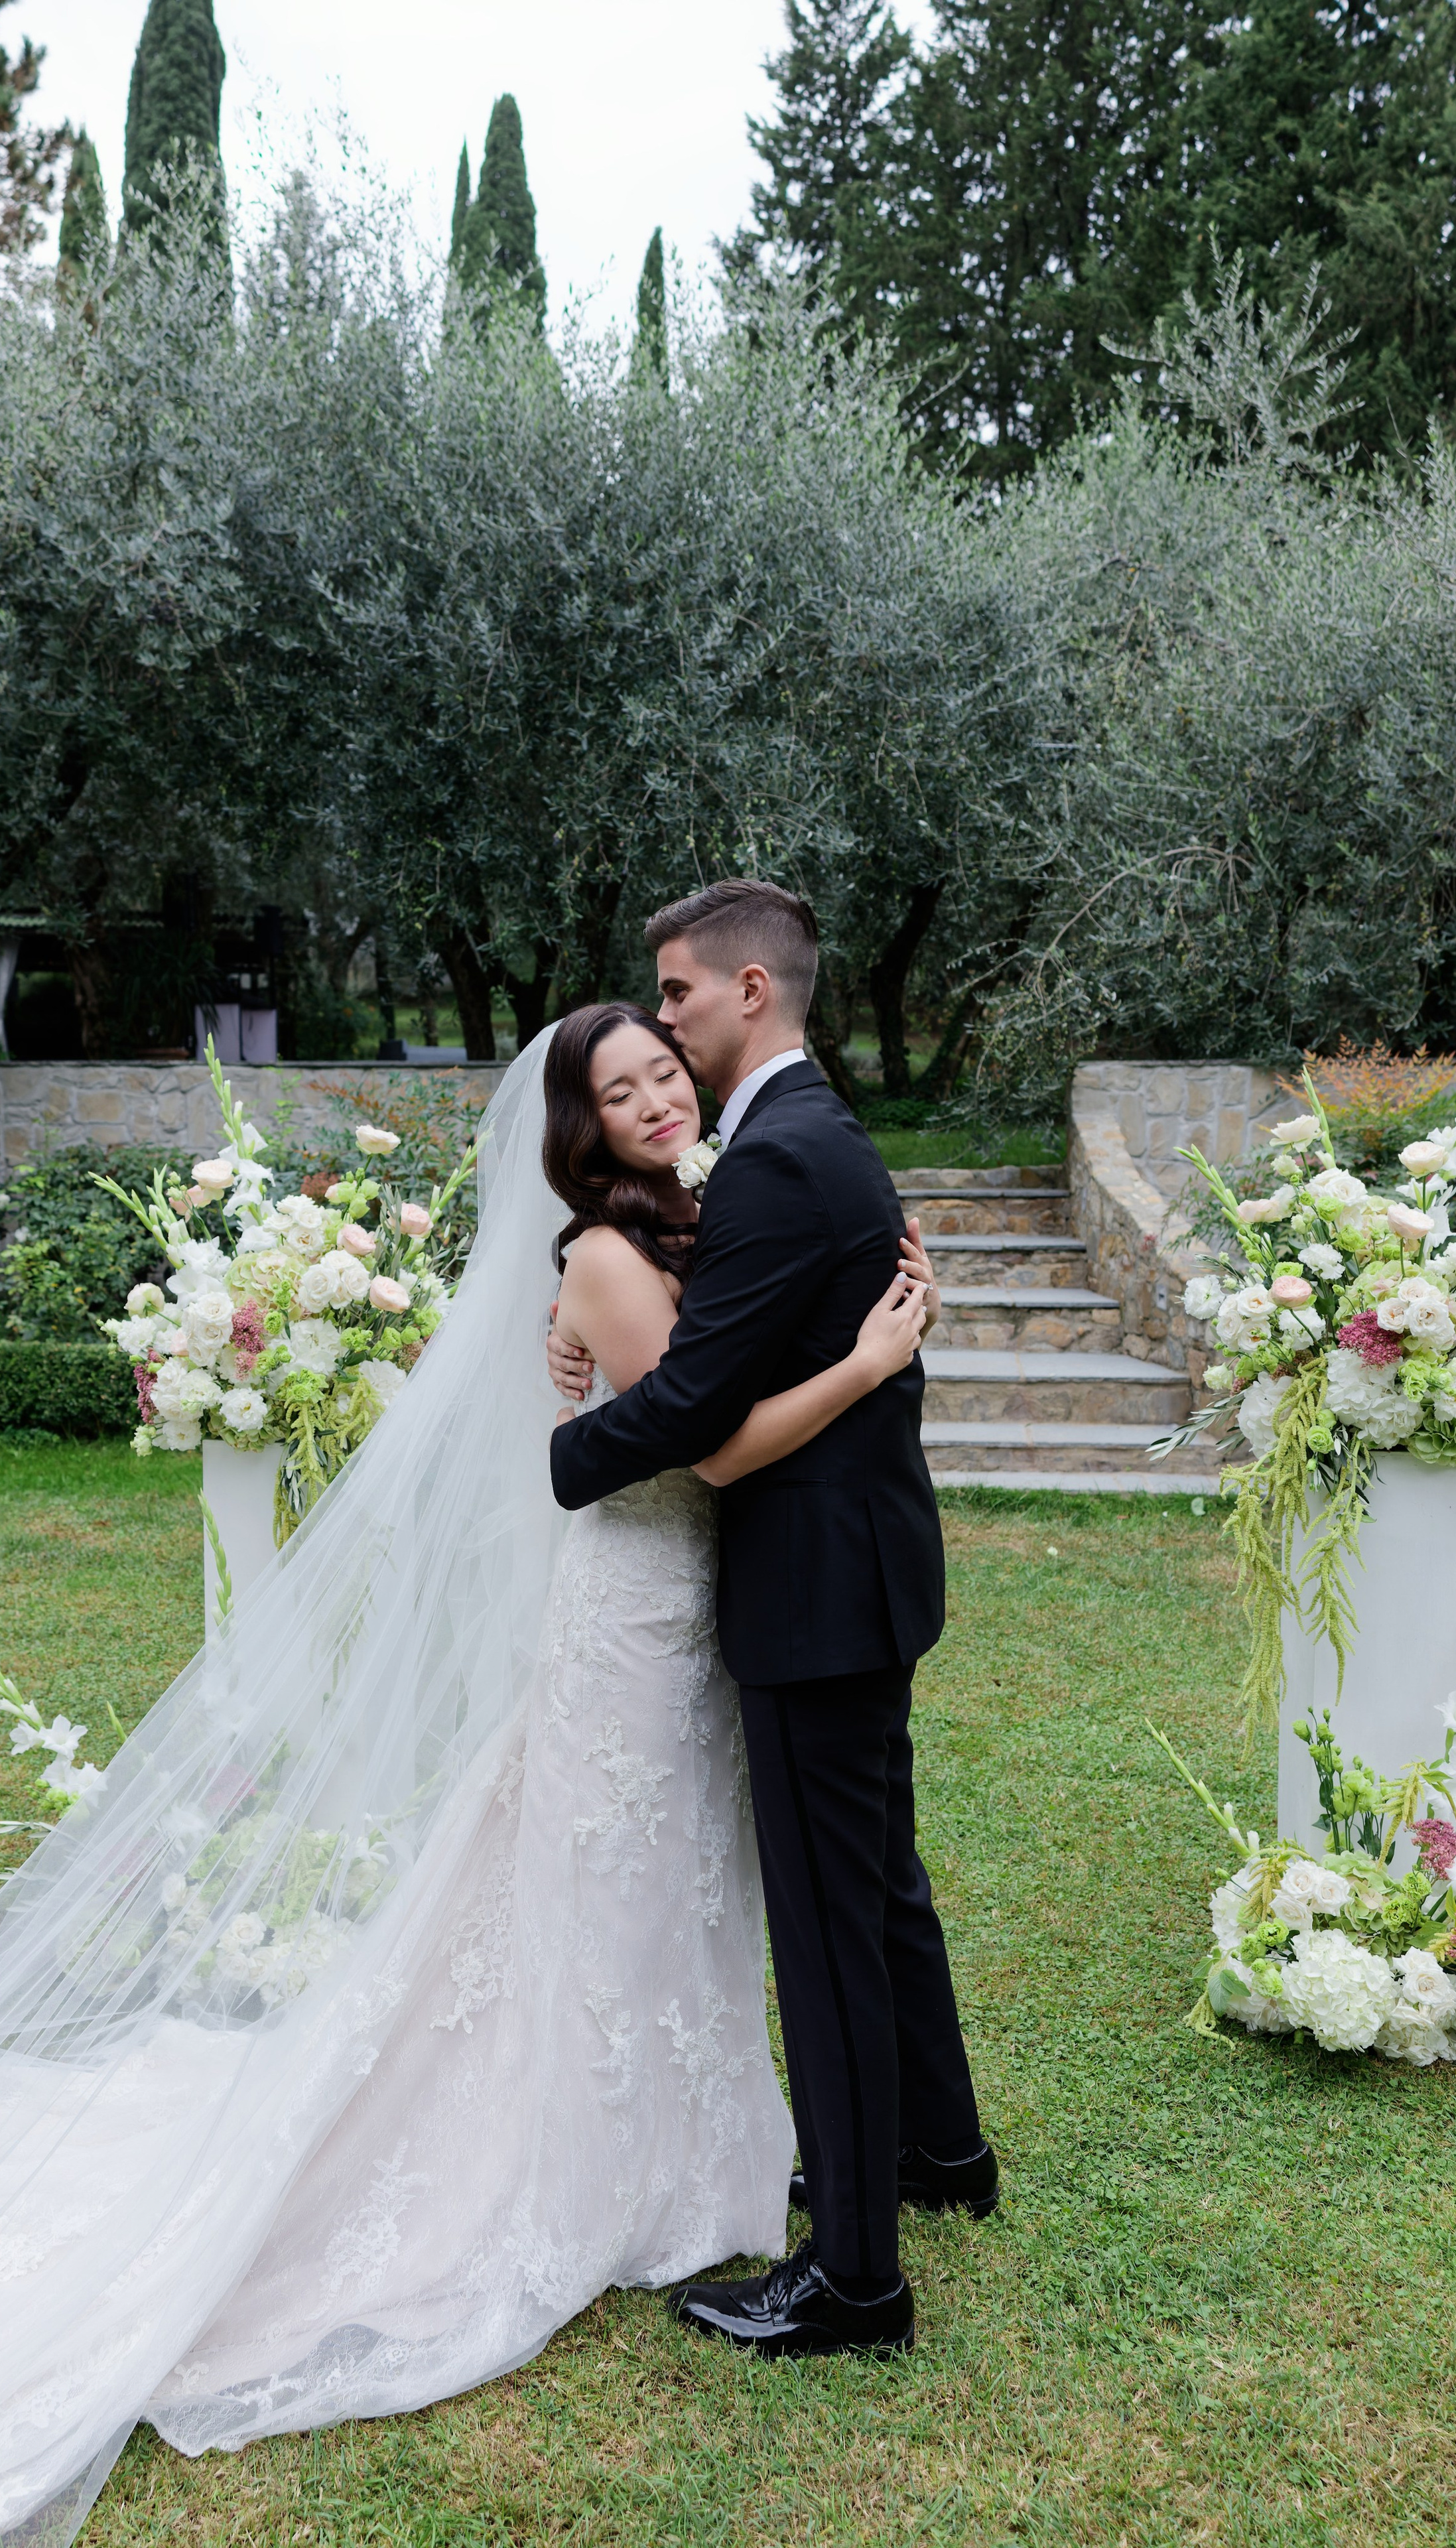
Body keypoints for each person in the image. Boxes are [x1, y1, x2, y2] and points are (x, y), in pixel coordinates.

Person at [0, 1006, 929, 2548]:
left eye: (666, 1073)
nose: (660, 1096)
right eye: (623, 1090)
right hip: (638, 1602)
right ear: (581, 1133)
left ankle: (692, 2144)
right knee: (603, 1881)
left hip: (688, 1609)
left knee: (671, 1882)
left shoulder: (705, 1211)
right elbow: (709, 1448)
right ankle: (591, 2155)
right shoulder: (604, 1247)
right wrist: (867, 1359)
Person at [549, 878, 996, 2366]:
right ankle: (936, 2153)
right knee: (878, 1891)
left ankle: (855, 2280)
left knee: (828, 1931)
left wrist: (557, 1459)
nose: (661, 1015)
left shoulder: (774, 1164)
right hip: (860, 1575)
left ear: (748, 989)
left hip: (812, 1596)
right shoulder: (816, 1139)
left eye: (675, 993)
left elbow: (691, 1410)